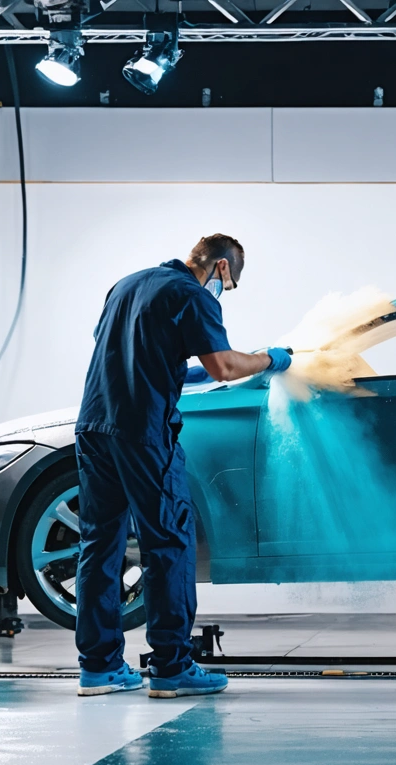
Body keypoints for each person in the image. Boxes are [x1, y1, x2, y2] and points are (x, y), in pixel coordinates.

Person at [73, 234, 292, 698]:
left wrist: (183, 371)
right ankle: (172, 668)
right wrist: (270, 359)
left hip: (93, 427)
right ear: (223, 270)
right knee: (168, 543)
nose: (223, 292)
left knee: (100, 544)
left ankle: (98, 668)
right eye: (228, 285)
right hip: (144, 432)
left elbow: (134, 354)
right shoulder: (193, 295)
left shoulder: (127, 285)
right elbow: (224, 367)